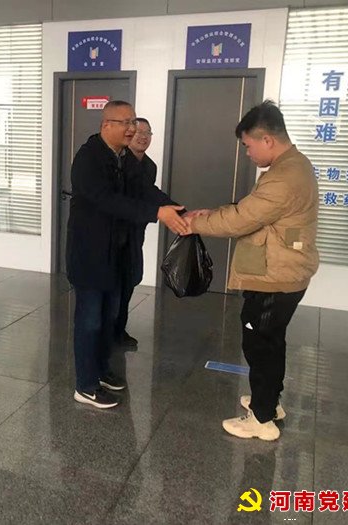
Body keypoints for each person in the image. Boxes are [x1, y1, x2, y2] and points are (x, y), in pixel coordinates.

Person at [184, 100, 319, 441]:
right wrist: (212, 212)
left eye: (248, 145)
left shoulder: (284, 177)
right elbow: (252, 211)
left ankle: (261, 419)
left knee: (259, 343)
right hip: (284, 269)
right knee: (271, 340)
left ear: (267, 140)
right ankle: (269, 402)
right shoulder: (294, 165)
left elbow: (242, 220)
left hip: (275, 276)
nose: (247, 153)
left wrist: (194, 224)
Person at [66, 100, 188, 409]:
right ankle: (85, 385)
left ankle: (101, 370)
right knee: (90, 320)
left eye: (134, 122)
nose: (133, 129)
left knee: (109, 319)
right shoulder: (89, 158)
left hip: (116, 254)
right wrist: (156, 213)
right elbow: (108, 201)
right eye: (127, 123)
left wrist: (176, 209)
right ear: (106, 125)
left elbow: (144, 190)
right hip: (90, 255)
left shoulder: (124, 158)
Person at [115, 117, 173, 348]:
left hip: (135, 233)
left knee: (130, 279)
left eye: (148, 133)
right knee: (114, 284)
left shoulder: (149, 166)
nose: (143, 137)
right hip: (114, 235)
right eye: (138, 132)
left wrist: (175, 209)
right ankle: (107, 332)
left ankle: (119, 330)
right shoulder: (119, 162)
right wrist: (161, 211)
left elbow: (149, 193)